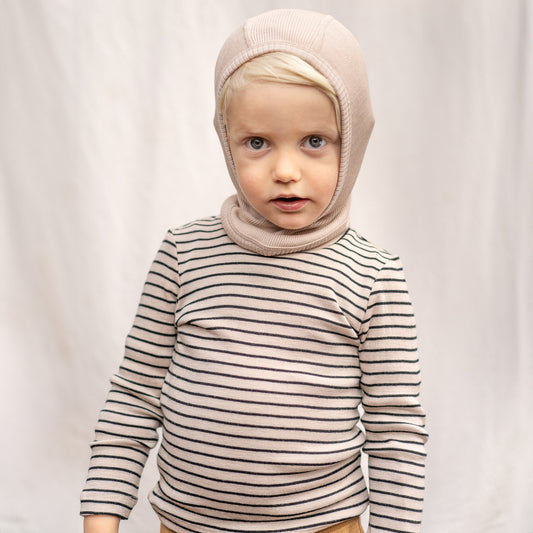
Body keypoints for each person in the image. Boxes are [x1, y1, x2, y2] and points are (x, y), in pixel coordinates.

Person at [81, 8, 428, 533]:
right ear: (228, 141)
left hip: (323, 525)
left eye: (315, 141)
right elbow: (134, 396)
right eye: (257, 142)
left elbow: (395, 427)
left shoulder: (373, 275)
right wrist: (101, 519)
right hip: (188, 523)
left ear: (353, 140)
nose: (285, 171)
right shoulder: (183, 255)